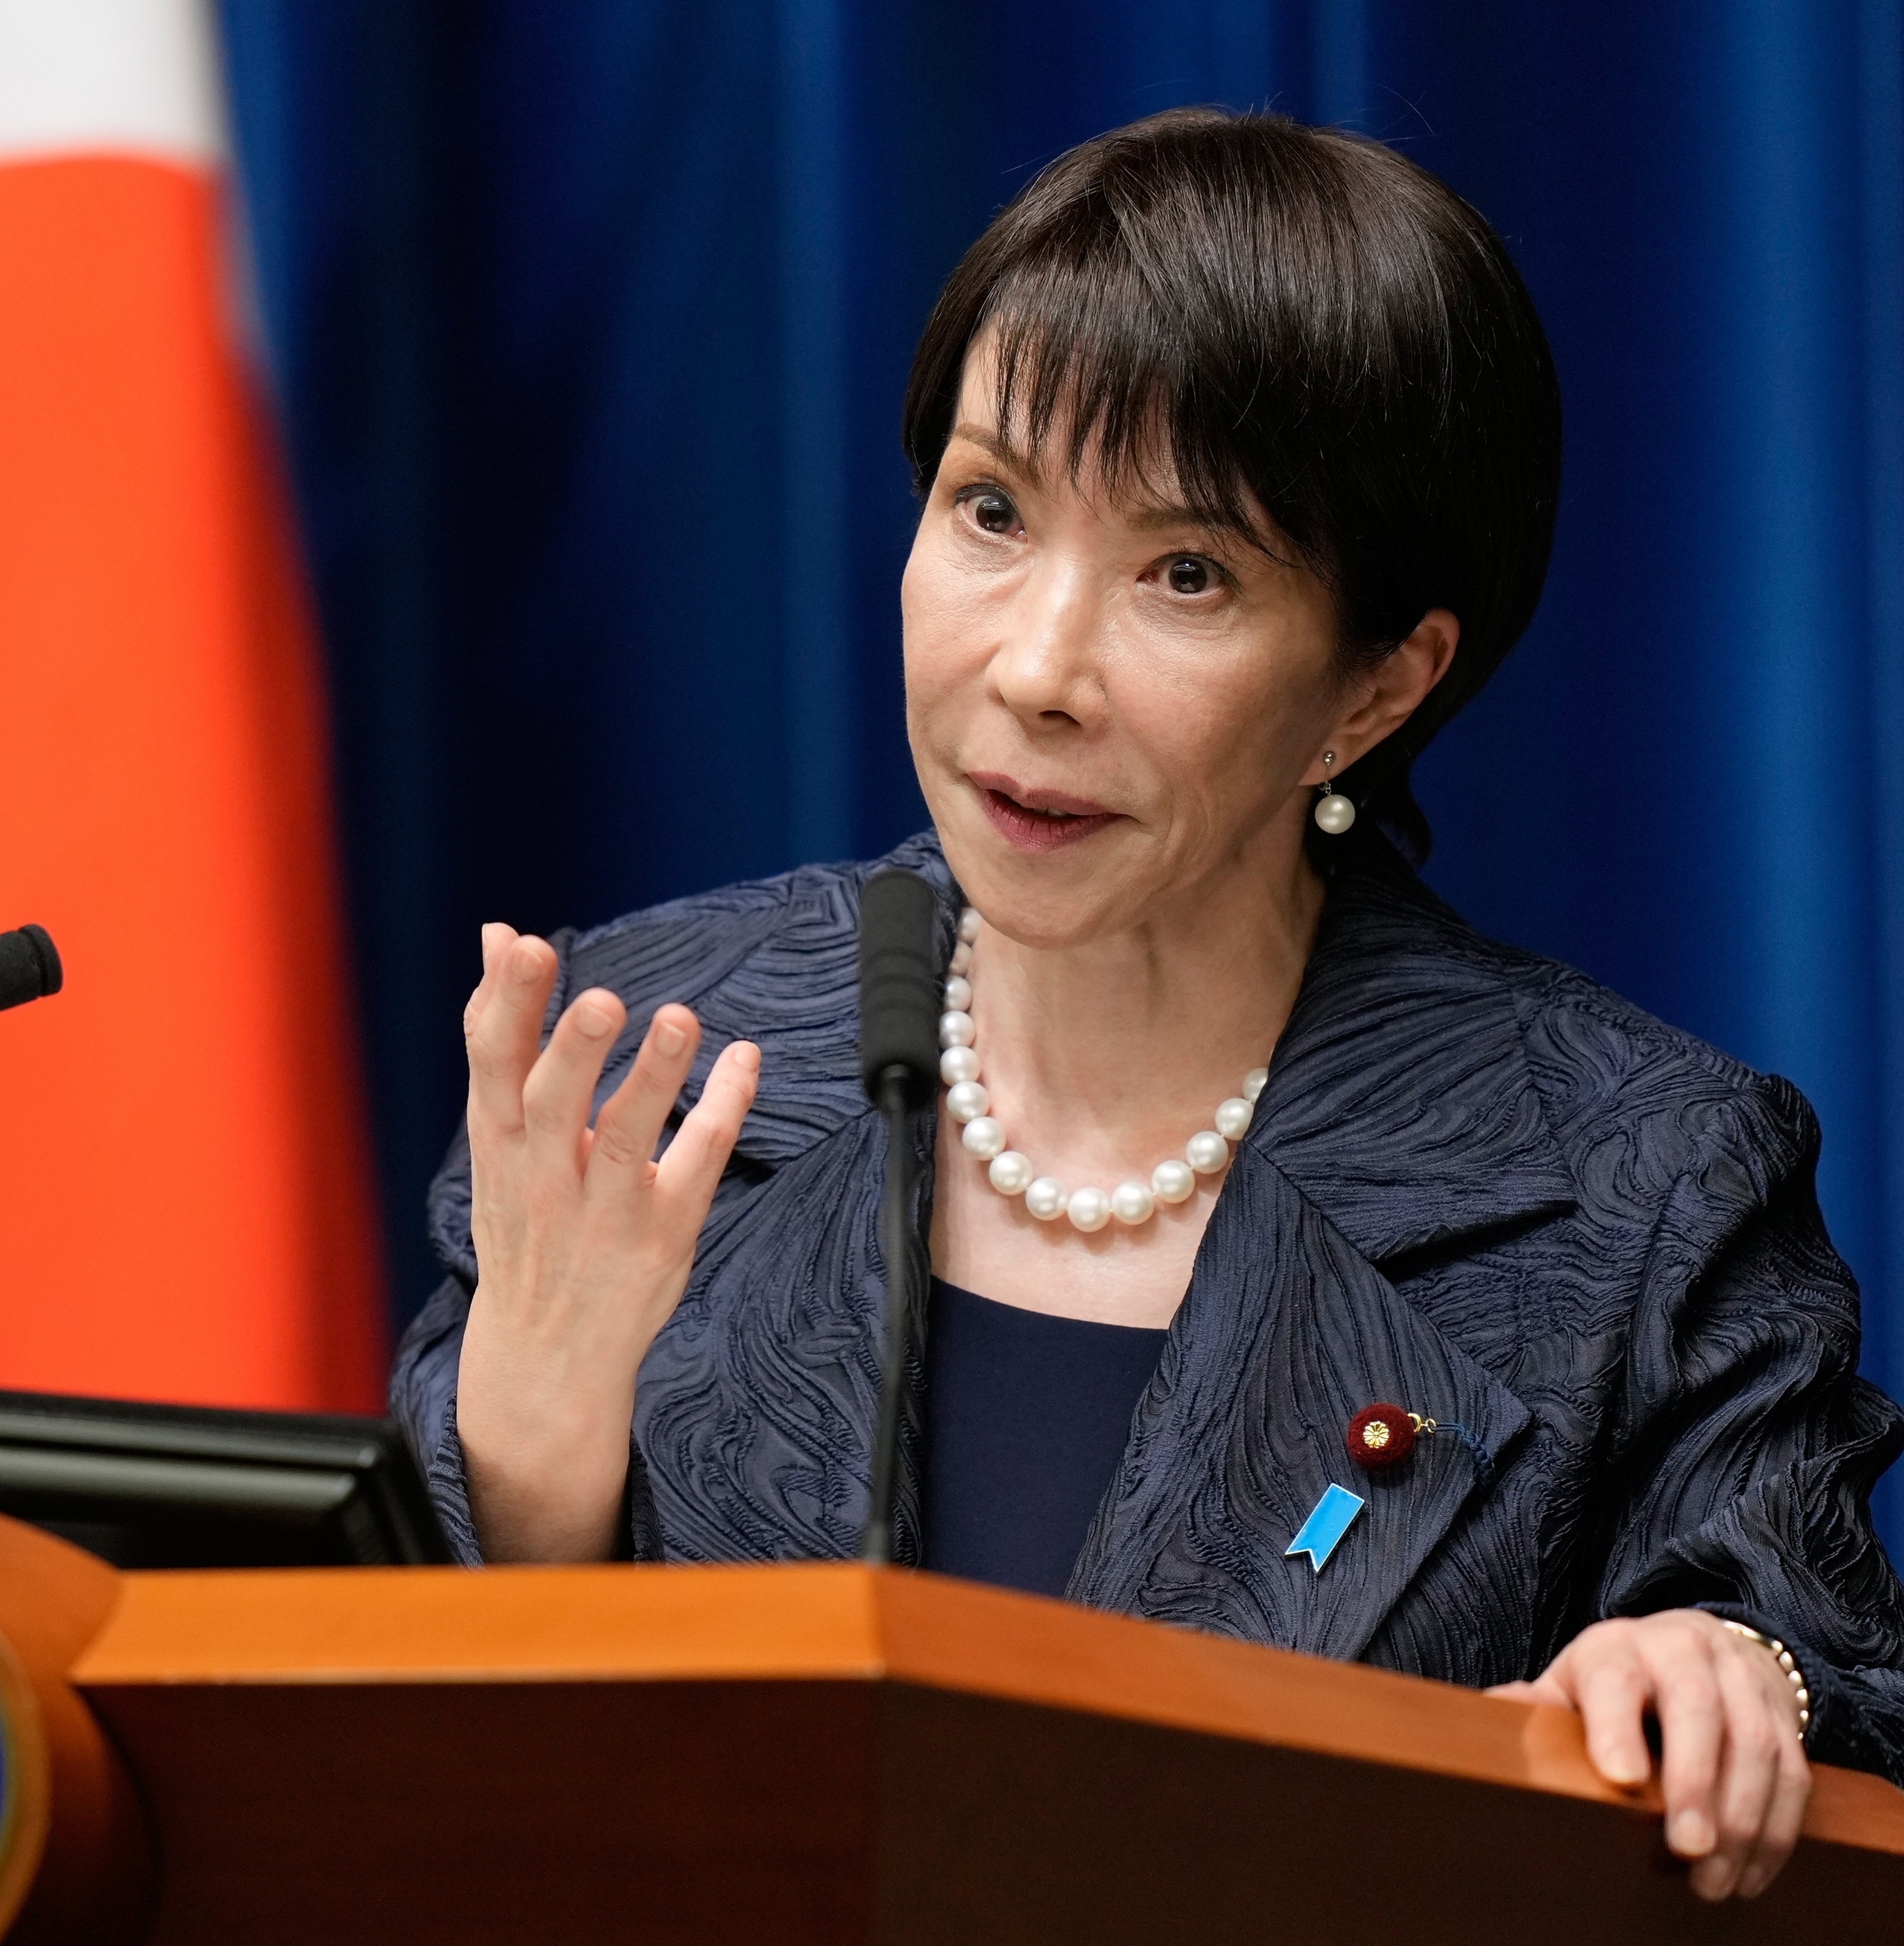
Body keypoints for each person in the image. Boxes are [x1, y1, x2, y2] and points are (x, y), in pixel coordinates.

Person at [390, 107, 1904, 1902]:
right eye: (989, 511)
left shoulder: (1636, 1181)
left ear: (1373, 687)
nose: (1033, 669)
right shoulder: (655, 1054)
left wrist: (1734, 1677)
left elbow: (1822, 1652)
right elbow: (396, 1809)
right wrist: (534, 1489)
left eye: (1185, 575)